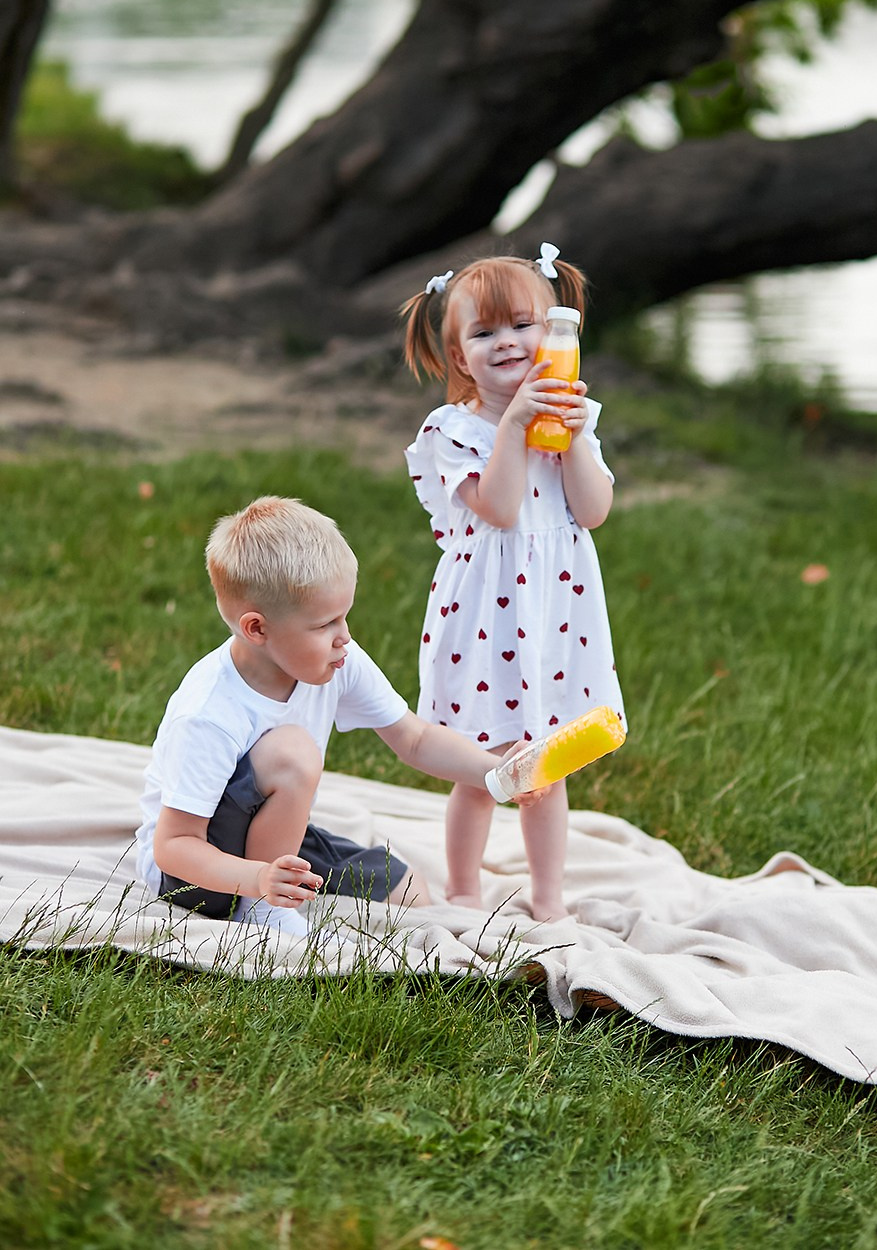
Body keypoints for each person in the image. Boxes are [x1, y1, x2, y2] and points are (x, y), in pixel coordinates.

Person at [135, 495, 540, 938]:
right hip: (195, 875)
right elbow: (174, 846)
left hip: (273, 837)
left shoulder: (337, 658)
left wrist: (495, 771)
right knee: (293, 752)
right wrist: (257, 881)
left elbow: (415, 739)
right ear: (257, 629)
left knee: (409, 892)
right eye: (324, 624)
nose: (343, 635)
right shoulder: (209, 711)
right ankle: (261, 910)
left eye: (344, 616)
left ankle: (275, 889)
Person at [401, 247, 626, 922]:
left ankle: (548, 896)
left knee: (545, 768)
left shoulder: (571, 420)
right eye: (484, 333)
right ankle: (464, 888)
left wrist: (576, 441)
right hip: (486, 618)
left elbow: (592, 512)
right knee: (485, 766)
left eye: (523, 325)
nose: (507, 342)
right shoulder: (455, 430)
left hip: (555, 613)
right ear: (459, 359)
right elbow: (497, 508)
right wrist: (516, 426)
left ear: (556, 331)